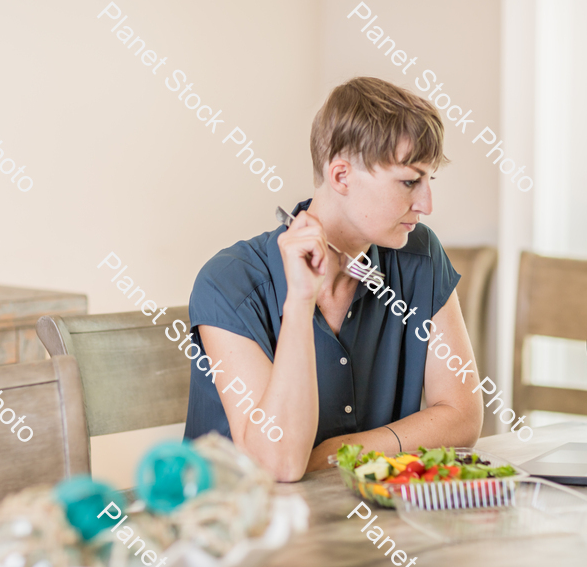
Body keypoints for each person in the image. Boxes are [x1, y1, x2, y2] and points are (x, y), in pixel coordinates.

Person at [183, 76, 483, 482]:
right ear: (341, 176)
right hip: (242, 532)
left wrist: (336, 452)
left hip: (367, 526)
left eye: (429, 180)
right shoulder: (229, 282)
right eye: (410, 181)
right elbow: (281, 464)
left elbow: (462, 418)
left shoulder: (420, 257)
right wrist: (301, 301)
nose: (426, 204)